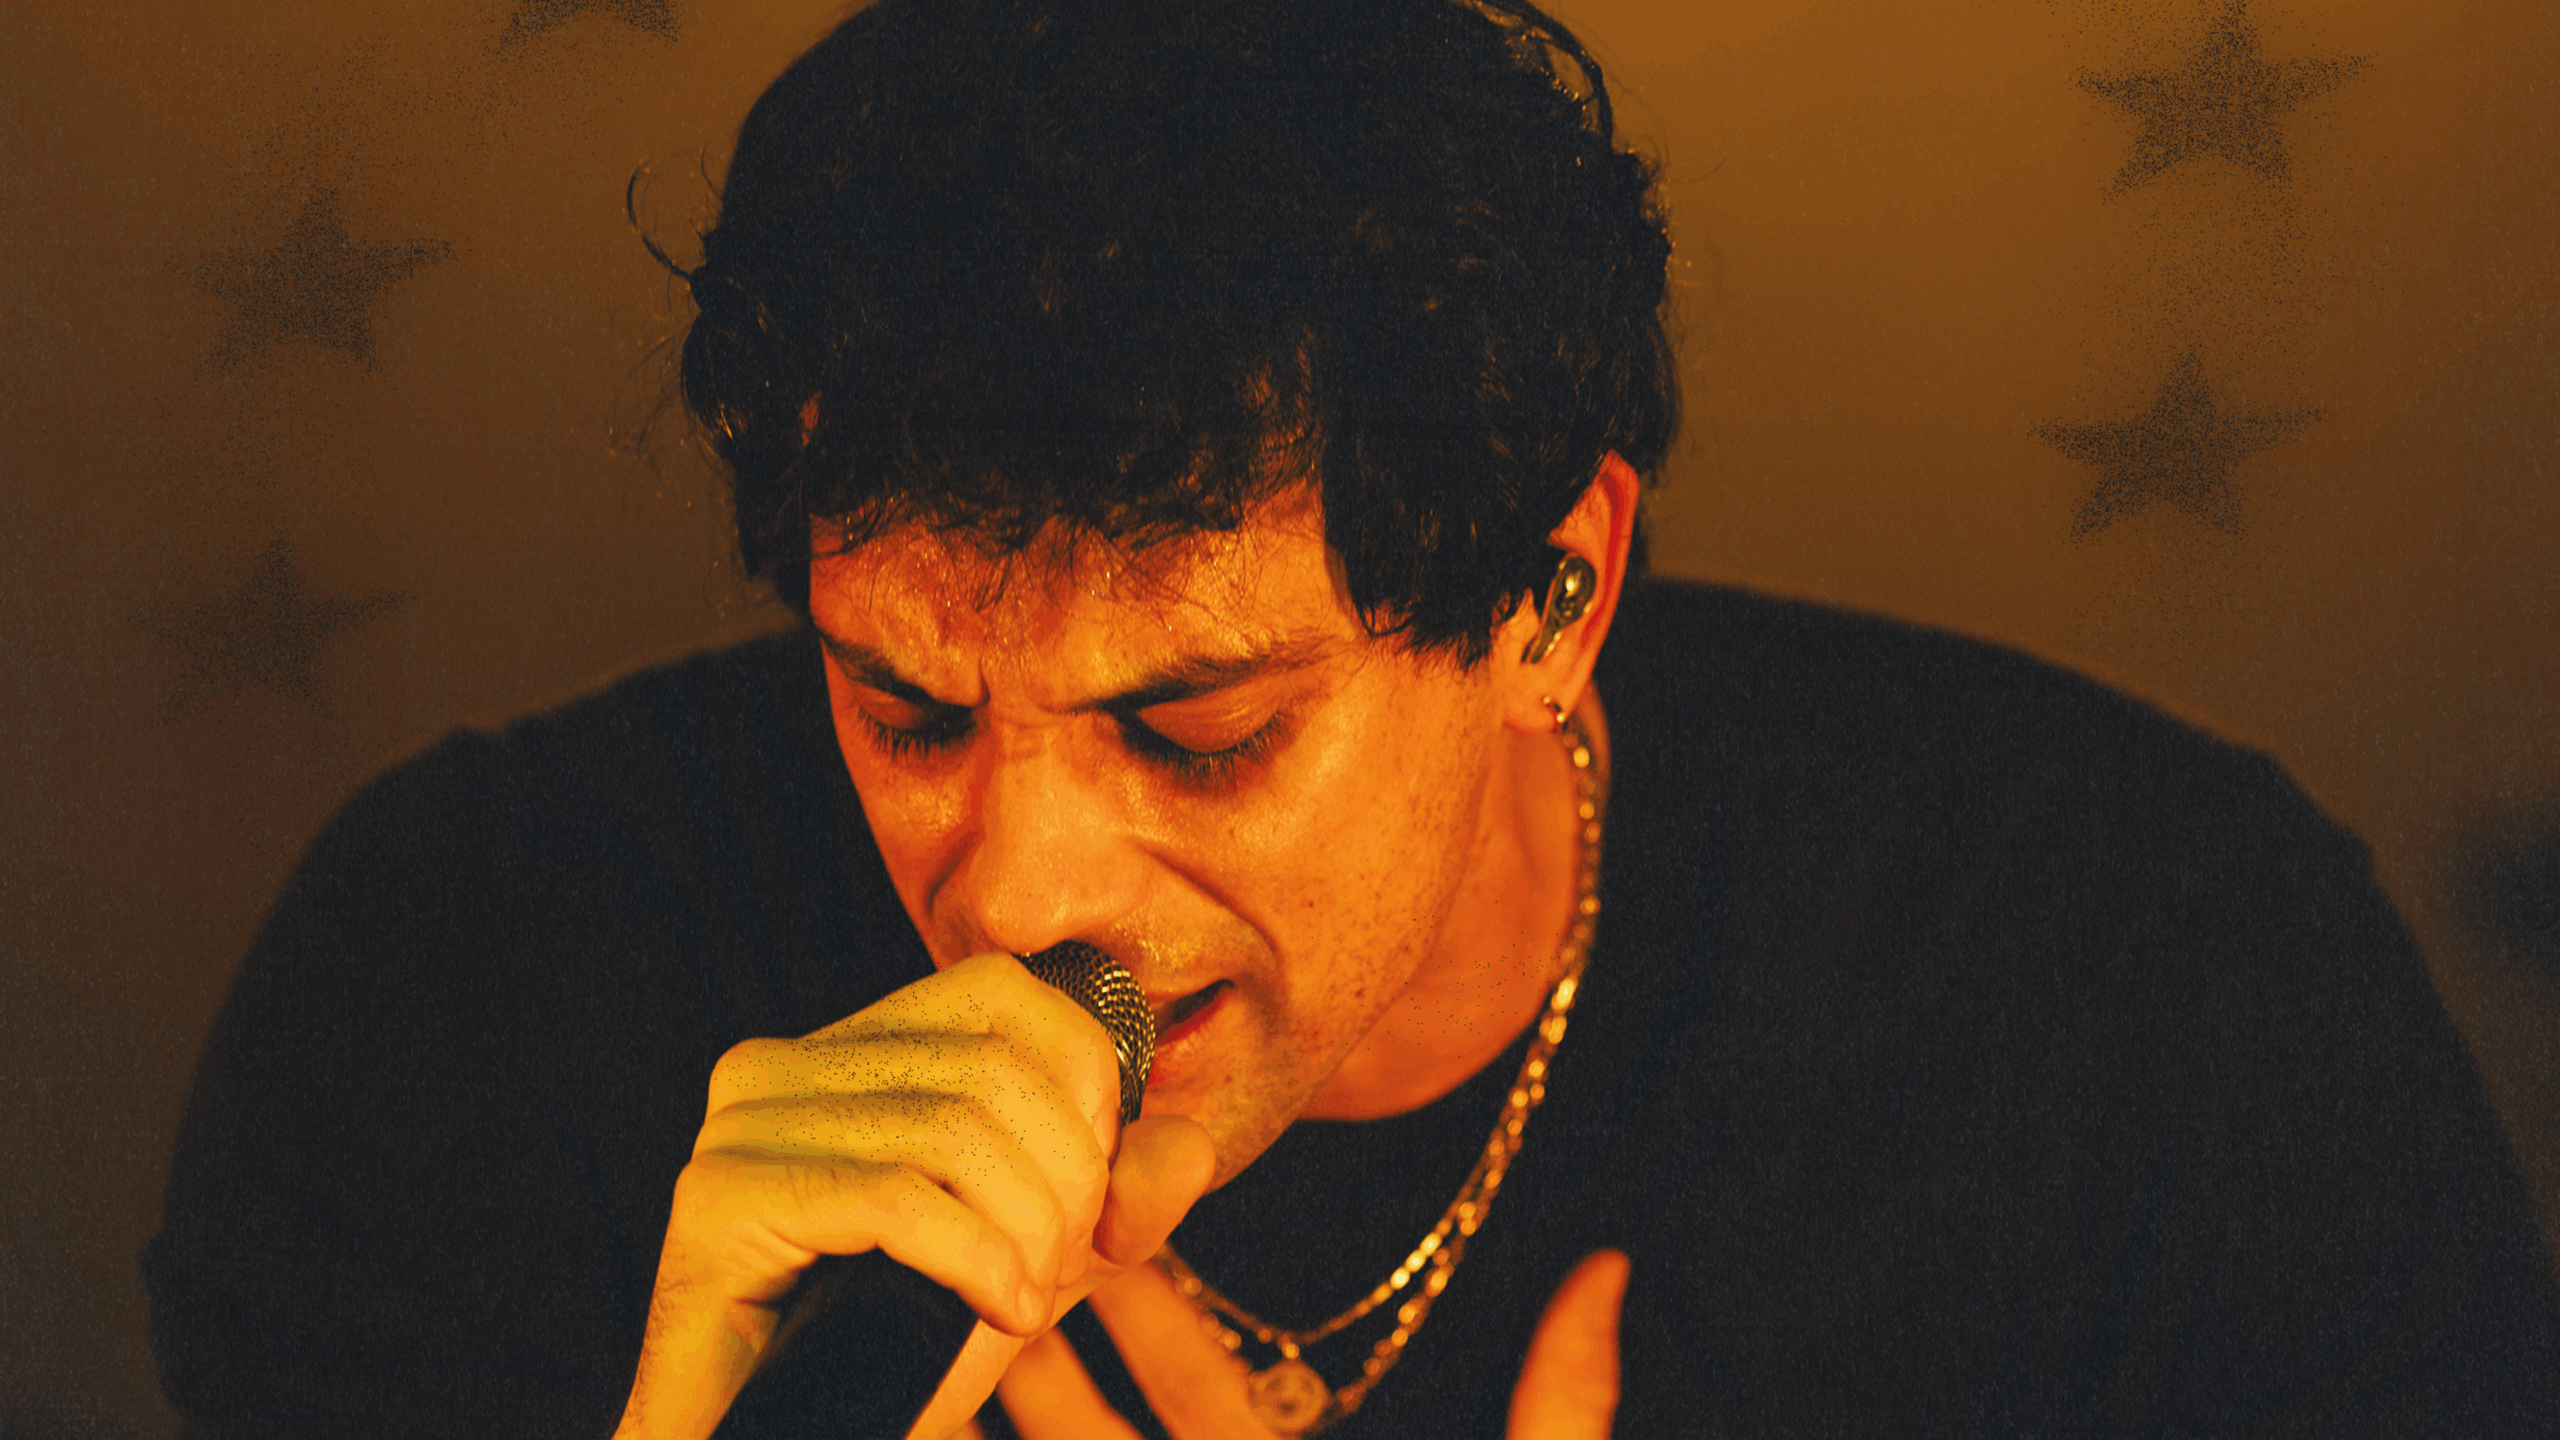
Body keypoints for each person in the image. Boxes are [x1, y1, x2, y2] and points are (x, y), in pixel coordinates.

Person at [144, 0, 2560, 1435]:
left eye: (1197, 732)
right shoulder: (459, 982)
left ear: (1549, 598)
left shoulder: (2151, 984)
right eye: (901, 707)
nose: (1016, 893)